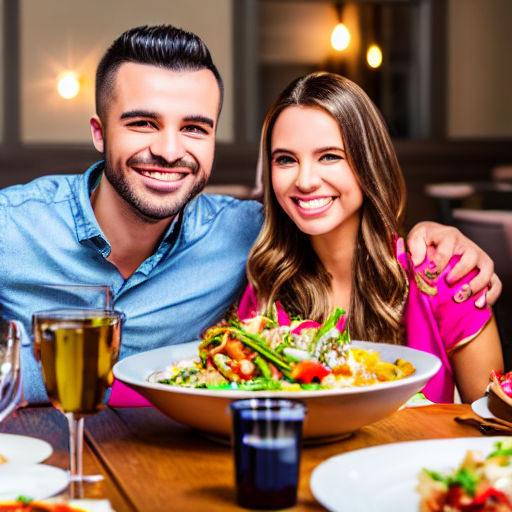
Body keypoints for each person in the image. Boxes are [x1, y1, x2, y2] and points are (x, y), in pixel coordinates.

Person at [0, 26, 501, 405]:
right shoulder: (12, 227)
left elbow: (490, 419)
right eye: (142, 123)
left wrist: (443, 235)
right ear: (99, 132)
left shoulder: (249, 241)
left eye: (194, 128)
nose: (169, 150)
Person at [239, 72, 504, 403]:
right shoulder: (267, 285)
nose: (305, 180)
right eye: (286, 160)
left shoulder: (444, 272)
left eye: (330, 156)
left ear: (368, 162)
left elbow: (494, 422)